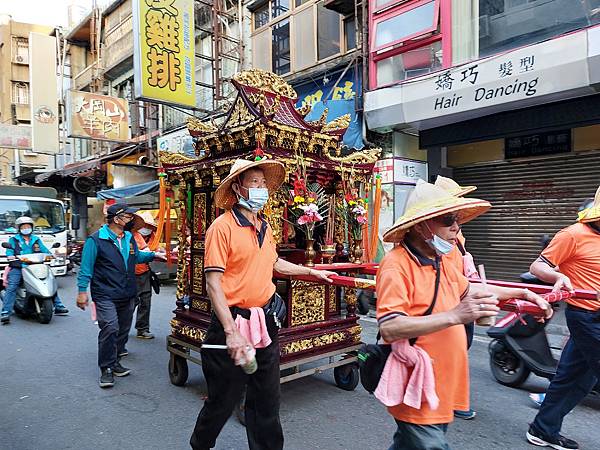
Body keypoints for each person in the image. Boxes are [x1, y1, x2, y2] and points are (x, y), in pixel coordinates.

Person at [376, 181, 551, 450]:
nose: (456, 228)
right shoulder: (396, 265)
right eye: (448, 220)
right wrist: (457, 315)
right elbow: (390, 327)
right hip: (416, 382)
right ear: (421, 225)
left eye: (456, 219)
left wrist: (524, 293)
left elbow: (471, 288)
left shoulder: (440, 259)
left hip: (441, 382)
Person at [190, 157, 336, 450]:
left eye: (263, 183)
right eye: (254, 182)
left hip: (264, 321)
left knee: (267, 400)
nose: (261, 188)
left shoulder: (265, 227)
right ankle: (200, 444)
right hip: (231, 323)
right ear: (239, 188)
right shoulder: (222, 227)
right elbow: (213, 283)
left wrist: (311, 271)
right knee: (223, 400)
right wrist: (231, 332)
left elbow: (274, 263)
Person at [525, 189, 600, 450]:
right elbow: (538, 266)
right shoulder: (573, 234)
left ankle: (542, 429)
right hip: (586, 316)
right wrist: (557, 277)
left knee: (577, 379)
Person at [76, 203, 163, 388]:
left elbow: (136, 256)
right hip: (105, 293)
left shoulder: (129, 237)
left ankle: (115, 361)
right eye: (128, 216)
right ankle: (106, 368)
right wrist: (82, 291)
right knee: (110, 327)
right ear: (116, 219)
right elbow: (85, 269)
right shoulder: (96, 240)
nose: (131, 219)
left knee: (123, 330)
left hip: (127, 292)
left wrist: (154, 255)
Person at [434, 176, 479, 420]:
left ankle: (450, 396)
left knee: (461, 346)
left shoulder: (456, 232)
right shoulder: (436, 235)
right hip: (447, 299)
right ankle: (446, 397)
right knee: (452, 347)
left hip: (460, 293)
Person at [1, 216, 68, 324]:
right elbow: (9, 251)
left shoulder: (36, 239)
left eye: (28, 226)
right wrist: (10, 256)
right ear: (19, 228)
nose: (26, 228)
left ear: (32, 227)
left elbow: (44, 250)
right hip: (19, 266)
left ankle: (58, 305)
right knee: (12, 286)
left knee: (49, 282)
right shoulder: (13, 240)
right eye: (24, 227)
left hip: (36, 265)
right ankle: (5, 312)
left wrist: (51, 255)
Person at [131, 211, 158, 340]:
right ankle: (120, 327)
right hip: (130, 274)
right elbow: (144, 253)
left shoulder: (153, 236)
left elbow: (147, 252)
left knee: (145, 301)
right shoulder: (132, 235)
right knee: (131, 302)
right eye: (145, 226)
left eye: (149, 226)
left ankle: (142, 329)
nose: (147, 229)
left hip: (144, 272)